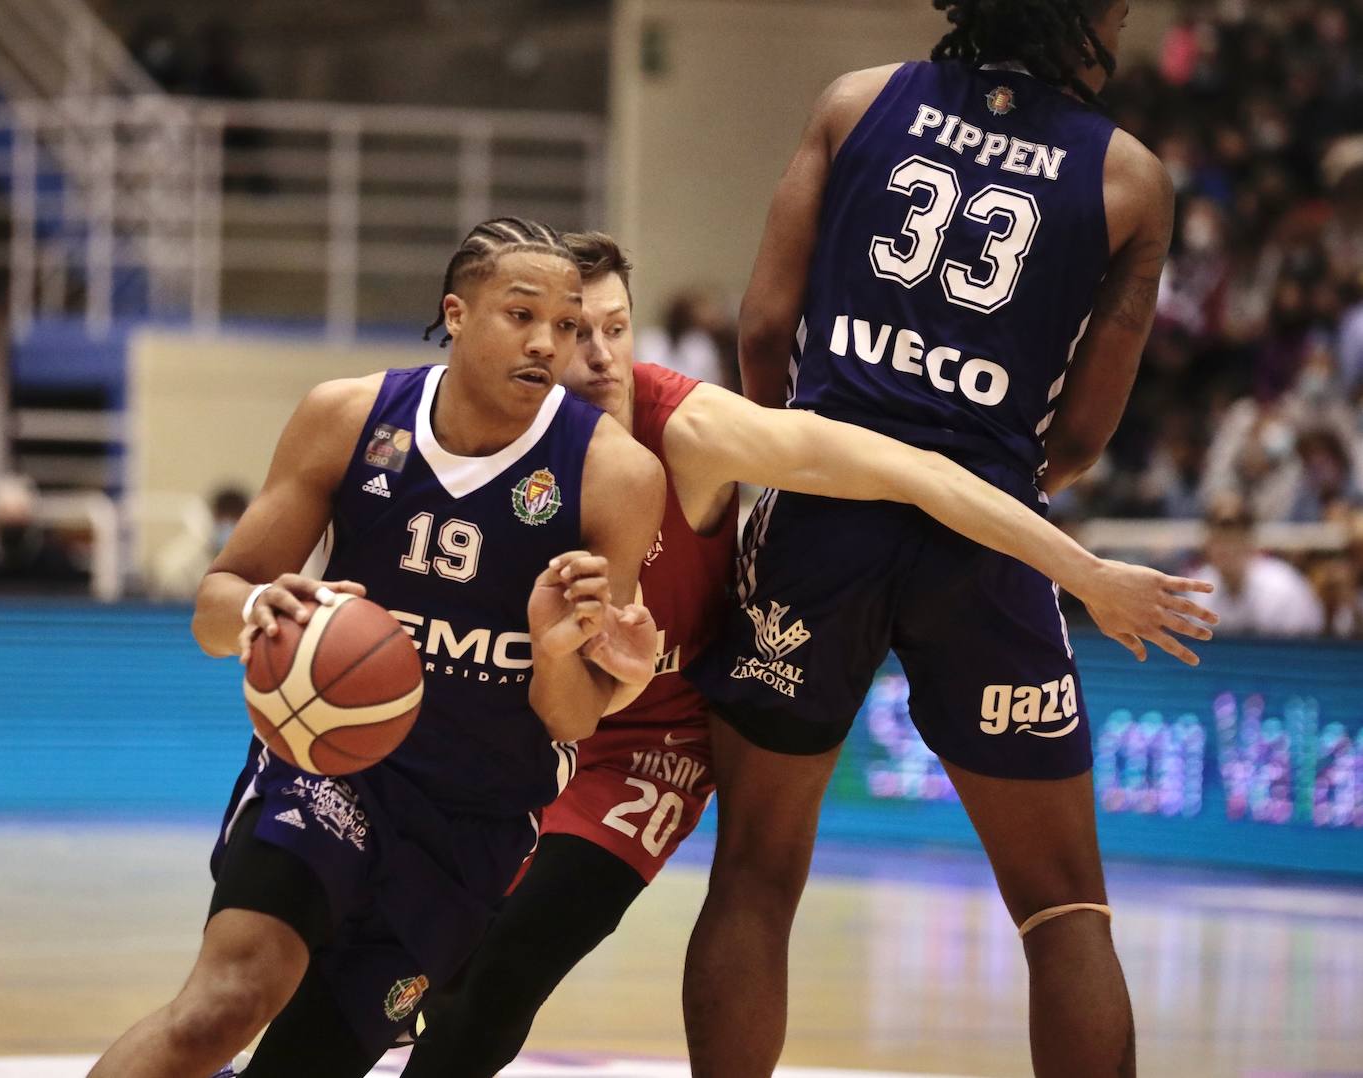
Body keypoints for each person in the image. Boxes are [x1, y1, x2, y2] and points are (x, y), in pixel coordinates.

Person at [383, 223, 1214, 1076]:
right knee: (382, 953)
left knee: (502, 969)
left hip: (641, 750)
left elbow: (913, 472)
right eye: (572, 332)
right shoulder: (468, 430)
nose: (598, 355)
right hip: (519, 729)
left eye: (615, 327)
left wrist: (1082, 571)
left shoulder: (694, 430)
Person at [681, 2, 1179, 1075]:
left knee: (756, 878)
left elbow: (763, 328)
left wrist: (792, 463)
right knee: (1063, 909)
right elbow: (1086, 430)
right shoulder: (1130, 177)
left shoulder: (856, 103)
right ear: (1090, 21)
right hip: (989, 533)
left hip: (818, 513)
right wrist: (983, 486)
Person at [87, 217, 665, 1078]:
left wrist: (553, 648)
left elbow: (572, 716)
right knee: (223, 1005)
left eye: (570, 323)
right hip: (329, 773)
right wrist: (260, 605)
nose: (551, 343)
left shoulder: (615, 476)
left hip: (473, 823)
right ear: (457, 313)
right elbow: (213, 610)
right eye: (522, 315)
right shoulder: (350, 417)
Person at [1195, 492, 1325, 636]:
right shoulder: (1197, 590)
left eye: (1234, 538)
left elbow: (1307, 650)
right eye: (1219, 539)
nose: (1227, 548)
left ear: (1250, 542)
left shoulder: (1285, 588)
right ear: (1207, 544)